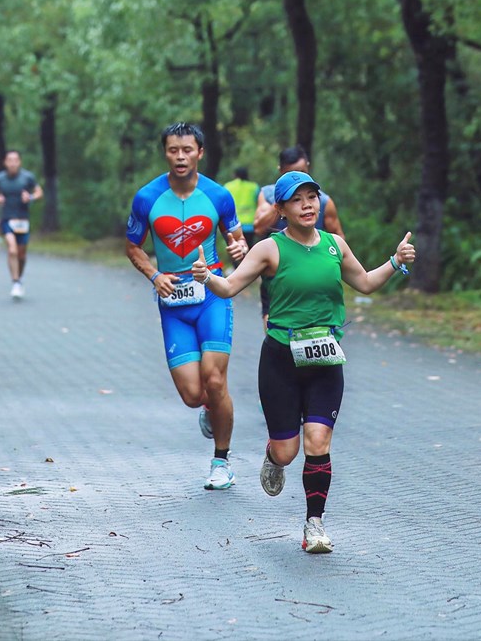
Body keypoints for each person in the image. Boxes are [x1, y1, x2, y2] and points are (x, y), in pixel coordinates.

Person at [191, 170, 415, 553]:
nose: (308, 205)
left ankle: (314, 524)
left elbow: (363, 283)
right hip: (281, 361)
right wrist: (205, 276)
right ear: (281, 209)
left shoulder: (335, 245)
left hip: (326, 360)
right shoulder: (270, 249)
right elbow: (228, 287)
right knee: (287, 451)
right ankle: (273, 457)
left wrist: (394, 262)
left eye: (312, 197)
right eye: (297, 200)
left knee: (318, 440)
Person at [125, 122, 248, 490]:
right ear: (165, 153)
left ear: (200, 153)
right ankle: (211, 408)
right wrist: (153, 275)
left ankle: (221, 461)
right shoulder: (147, 197)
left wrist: (240, 251)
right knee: (194, 395)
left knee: (215, 379)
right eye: (173, 150)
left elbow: (236, 239)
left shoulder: (218, 195)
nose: (180, 157)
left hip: (211, 293)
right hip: (172, 299)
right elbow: (132, 246)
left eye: (187, 150)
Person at [252, 145, 345, 329]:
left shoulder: (324, 201)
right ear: (280, 172)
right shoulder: (269, 195)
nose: (297, 179)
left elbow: (339, 237)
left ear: (308, 167)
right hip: (278, 274)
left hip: (314, 275)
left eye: (302, 172)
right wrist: (281, 203)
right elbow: (258, 227)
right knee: (275, 328)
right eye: (291, 173)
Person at [0, 150, 43, 299]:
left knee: (21, 254)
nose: (12, 163)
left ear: (19, 162)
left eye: (15, 160)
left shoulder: (27, 177)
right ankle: (15, 281)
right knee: (12, 250)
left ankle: (19, 279)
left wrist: (31, 197)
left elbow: (39, 191)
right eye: (10, 160)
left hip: (22, 219)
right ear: (5, 162)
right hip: (7, 218)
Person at [222, 166, 260, 254]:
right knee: (248, 249)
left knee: (234, 249)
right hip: (250, 224)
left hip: (231, 225)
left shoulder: (228, 186)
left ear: (235, 175)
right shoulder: (254, 187)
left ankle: (237, 266)